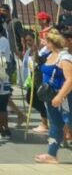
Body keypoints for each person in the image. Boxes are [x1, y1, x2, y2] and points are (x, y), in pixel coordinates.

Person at [34, 30, 72, 164]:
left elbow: (70, 80)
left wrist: (60, 96)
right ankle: (52, 154)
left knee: (68, 122)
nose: (44, 43)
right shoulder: (50, 55)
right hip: (50, 97)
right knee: (55, 124)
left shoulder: (65, 58)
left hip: (63, 98)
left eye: (47, 41)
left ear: (53, 42)